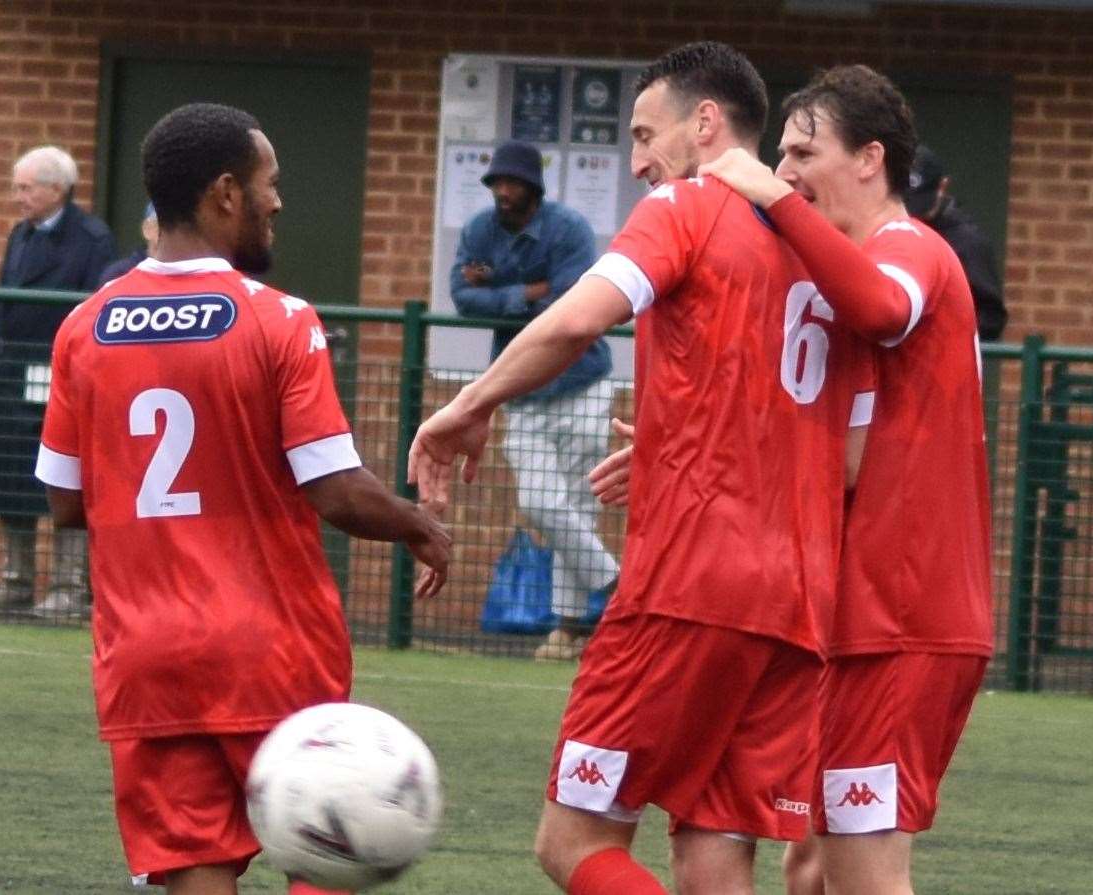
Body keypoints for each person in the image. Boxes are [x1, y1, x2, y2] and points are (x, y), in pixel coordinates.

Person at [408, 42, 870, 895]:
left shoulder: (689, 206)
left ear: (705, 124)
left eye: (644, 133)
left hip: (688, 586)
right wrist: (677, 440)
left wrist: (466, 404)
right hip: (797, 600)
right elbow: (840, 446)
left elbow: (573, 321)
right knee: (713, 858)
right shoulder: (823, 245)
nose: (634, 161)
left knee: (572, 839)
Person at [33, 102, 450, 895]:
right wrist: (418, 526)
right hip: (271, 650)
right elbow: (334, 489)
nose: (278, 200)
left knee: (195, 871)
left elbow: (63, 503)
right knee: (328, 843)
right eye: (270, 183)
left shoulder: (82, 328)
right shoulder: (279, 320)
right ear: (226, 192)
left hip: (147, 657)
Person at [696, 65, 992, 895]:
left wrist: (772, 202)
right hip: (864, 615)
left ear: (870, 159)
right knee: (812, 866)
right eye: (778, 155)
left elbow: (885, 308)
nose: (783, 171)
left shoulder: (907, 248)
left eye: (802, 152)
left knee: (864, 874)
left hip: (905, 615)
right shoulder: (844, 275)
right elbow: (841, 457)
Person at [450, 139, 616, 660]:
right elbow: (462, 298)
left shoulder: (569, 229)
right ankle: (619, 587)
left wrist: (503, 295)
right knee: (542, 505)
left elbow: (570, 304)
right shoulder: (480, 229)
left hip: (582, 381)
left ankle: (567, 631)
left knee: (579, 509)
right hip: (520, 389)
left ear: (533, 188)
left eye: (512, 183)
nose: (502, 191)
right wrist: (523, 294)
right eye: (497, 183)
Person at [0, 145, 114, 617]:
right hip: (11, 373)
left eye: (26, 188)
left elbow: (91, 306)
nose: (18, 197)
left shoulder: (92, 239)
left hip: (57, 371)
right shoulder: (19, 234)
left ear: (56, 189)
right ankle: (17, 576)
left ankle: (69, 585)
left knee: (64, 471)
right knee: (10, 472)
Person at [902, 145, 1007, 341]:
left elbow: (991, 318)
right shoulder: (888, 229)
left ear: (942, 187)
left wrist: (942, 332)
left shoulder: (967, 242)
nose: (912, 213)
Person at [98, 201, 160, 286]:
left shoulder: (183, 273)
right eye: (163, 224)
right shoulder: (119, 274)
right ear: (147, 229)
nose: (172, 232)